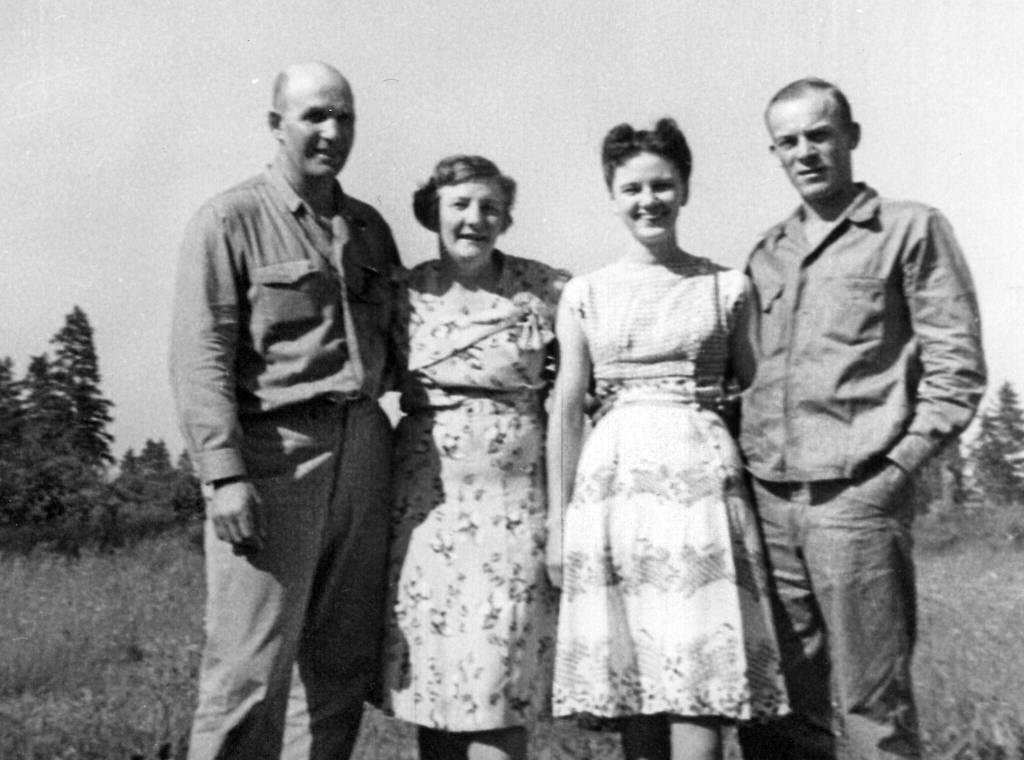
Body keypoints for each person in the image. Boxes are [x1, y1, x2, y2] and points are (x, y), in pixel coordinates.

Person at [736, 78, 987, 760]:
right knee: (777, 708)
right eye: (788, 142)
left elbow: (956, 372)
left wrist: (895, 471)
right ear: (775, 152)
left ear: (851, 135)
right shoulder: (768, 250)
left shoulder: (911, 228)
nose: (805, 152)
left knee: (873, 710)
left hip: (856, 498)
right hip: (768, 500)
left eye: (819, 134)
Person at [170, 61, 403, 760]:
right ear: (276, 125)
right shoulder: (229, 220)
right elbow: (200, 355)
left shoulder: (369, 228)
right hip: (276, 460)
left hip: (364, 450)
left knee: (335, 674)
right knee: (247, 672)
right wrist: (223, 475)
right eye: (315, 116)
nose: (333, 132)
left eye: (346, 117)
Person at [546, 119, 788, 760]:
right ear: (612, 194)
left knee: (697, 671)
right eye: (633, 188)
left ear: (684, 190)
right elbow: (568, 409)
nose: (648, 200)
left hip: (702, 486)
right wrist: (557, 522)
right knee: (636, 670)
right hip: (614, 489)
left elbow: (758, 397)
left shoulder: (726, 287)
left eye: (663, 185)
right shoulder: (584, 294)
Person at [380, 155, 568, 760]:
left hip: (515, 509)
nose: (474, 219)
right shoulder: (402, 295)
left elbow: (578, 395)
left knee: (497, 683)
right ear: (433, 211)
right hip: (427, 507)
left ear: (507, 217)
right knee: (435, 684)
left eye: (489, 207)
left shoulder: (549, 290)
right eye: (460, 204)